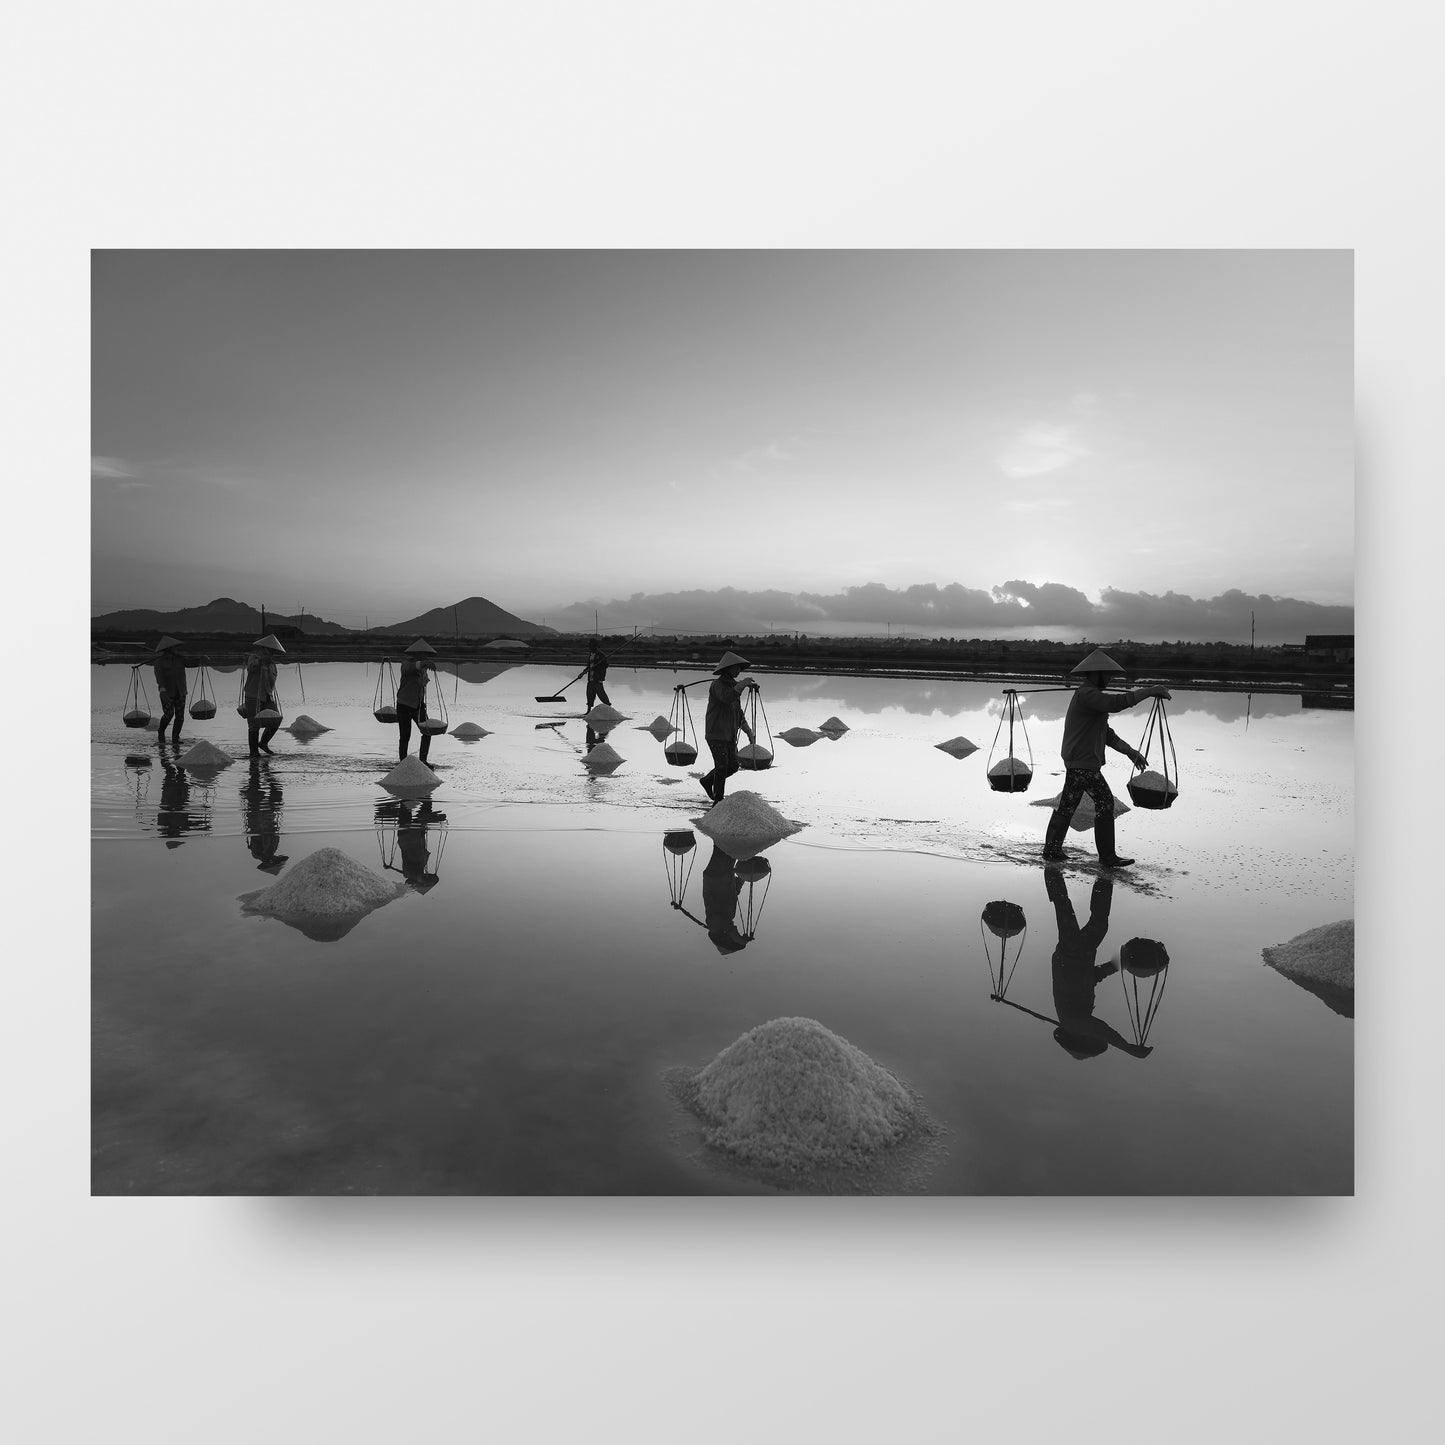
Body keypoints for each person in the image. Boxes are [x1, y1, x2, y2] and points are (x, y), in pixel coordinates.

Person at [1042, 649, 1171, 867]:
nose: (1110, 679)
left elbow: (1106, 734)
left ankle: (1052, 850)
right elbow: (1116, 703)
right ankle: (1107, 857)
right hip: (1082, 762)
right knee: (1105, 802)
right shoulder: (1088, 695)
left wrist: (1130, 752)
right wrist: (1149, 691)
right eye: (1108, 675)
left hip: (1080, 761)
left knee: (1068, 805)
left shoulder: (1091, 697)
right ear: (1095, 674)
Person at [1045, 871, 1151, 1060]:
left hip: (1070, 955)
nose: (1093, 1036)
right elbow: (1092, 978)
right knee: (1099, 924)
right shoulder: (1079, 1012)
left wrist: (1127, 1047)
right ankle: (1104, 879)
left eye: (1090, 1039)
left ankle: (1052, 870)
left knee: (1064, 906)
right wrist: (1118, 964)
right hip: (1081, 957)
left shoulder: (1072, 1024)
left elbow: (1103, 1031)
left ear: (1082, 1039)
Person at [699, 650, 757, 804]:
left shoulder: (734, 686)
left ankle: (707, 781)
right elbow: (727, 697)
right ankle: (718, 800)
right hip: (716, 733)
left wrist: (748, 731)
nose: (739, 670)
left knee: (732, 766)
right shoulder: (717, 685)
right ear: (728, 668)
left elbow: (738, 713)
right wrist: (742, 686)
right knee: (722, 766)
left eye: (739, 668)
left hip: (729, 734)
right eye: (736, 667)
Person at [242, 634, 286, 757]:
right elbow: (251, 668)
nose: (272, 654)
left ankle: (263, 743)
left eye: (273, 652)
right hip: (253, 695)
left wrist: (267, 664)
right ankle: (254, 753)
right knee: (254, 725)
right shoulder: (253, 658)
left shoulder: (272, 664)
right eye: (271, 651)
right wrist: (261, 662)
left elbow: (272, 682)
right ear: (264, 649)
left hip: (267, 696)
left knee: (276, 720)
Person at [396, 637, 437, 768]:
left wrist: (425, 668)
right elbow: (410, 669)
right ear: (416, 654)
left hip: (418, 705)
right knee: (405, 735)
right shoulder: (406, 663)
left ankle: (423, 761)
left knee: (427, 731)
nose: (425, 656)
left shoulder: (422, 667)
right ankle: (403, 762)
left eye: (426, 655)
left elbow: (422, 684)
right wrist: (423, 663)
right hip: (404, 705)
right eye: (423, 655)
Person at [151, 635, 188, 747]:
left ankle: (175, 739)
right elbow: (160, 678)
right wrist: (162, 691)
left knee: (180, 716)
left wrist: (201, 660)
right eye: (174, 647)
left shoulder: (180, 659)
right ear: (168, 649)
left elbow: (191, 663)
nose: (176, 649)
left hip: (180, 691)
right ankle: (161, 731)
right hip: (167, 693)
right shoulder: (159, 662)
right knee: (169, 714)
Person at [584, 637, 611, 710]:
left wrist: (598, 666)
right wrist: (584, 672)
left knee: (601, 695)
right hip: (590, 678)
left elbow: (606, 665)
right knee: (589, 695)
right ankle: (588, 711)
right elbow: (589, 666)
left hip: (597, 679)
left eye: (592, 646)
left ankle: (609, 709)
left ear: (595, 646)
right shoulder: (591, 654)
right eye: (590, 646)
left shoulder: (601, 655)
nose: (590, 648)